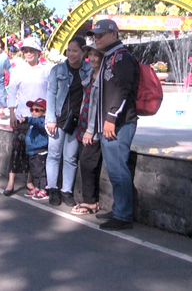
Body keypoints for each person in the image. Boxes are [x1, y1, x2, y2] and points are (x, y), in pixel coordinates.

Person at [87, 19, 139, 231]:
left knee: (118, 171)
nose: (96, 38)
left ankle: (123, 216)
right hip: (109, 123)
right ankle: (119, 209)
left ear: (114, 34)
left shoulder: (122, 57)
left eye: (101, 34)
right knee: (114, 170)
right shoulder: (109, 57)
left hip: (119, 123)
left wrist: (110, 118)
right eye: (94, 35)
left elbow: (123, 90)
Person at [45, 36, 91, 206]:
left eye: (75, 50)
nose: (71, 54)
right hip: (57, 118)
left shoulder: (89, 70)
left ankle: (66, 191)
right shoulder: (57, 70)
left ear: (83, 52)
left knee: (71, 157)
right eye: (69, 50)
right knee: (54, 154)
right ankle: (52, 189)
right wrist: (50, 118)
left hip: (76, 121)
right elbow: (50, 94)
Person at [4, 36, 52, 196]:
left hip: (39, 118)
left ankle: (30, 181)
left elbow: (51, 93)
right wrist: (11, 114)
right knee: (17, 149)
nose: (28, 53)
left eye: (32, 50)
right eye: (26, 50)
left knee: (36, 152)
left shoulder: (47, 70)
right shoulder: (18, 69)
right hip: (22, 116)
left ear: (39, 52)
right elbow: (11, 93)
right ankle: (10, 183)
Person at [71, 43, 104, 215]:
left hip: (94, 128)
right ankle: (91, 200)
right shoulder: (91, 74)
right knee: (85, 162)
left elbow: (98, 106)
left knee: (87, 162)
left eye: (95, 55)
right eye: (89, 55)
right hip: (84, 125)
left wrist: (91, 130)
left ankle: (90, 202)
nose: (91, 58)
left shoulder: (103, 77)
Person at [19, 98, 49, 201]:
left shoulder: (42, 122)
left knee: (41, 172)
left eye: (36, 110)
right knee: (35, 172)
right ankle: (36, 187)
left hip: (40, 152)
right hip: (32, 151)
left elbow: (36, 121)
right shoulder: (33, 124)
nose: (33, 112)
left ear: (44, 112)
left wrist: (27, 119)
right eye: (31, 109)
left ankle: (44, 189)